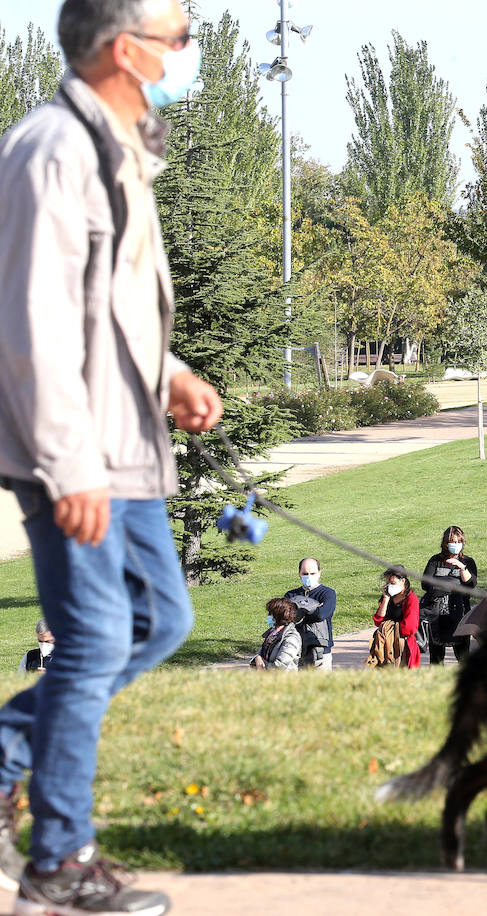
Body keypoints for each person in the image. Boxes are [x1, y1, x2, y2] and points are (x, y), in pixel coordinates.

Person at [0, 0, 225, 908]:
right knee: (94, 638)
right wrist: (68, 465)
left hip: (125, 441)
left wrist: (170, 373)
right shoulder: (53, 150)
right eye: (180, 36)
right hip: (78, 450)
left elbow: (109, 307)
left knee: (158, 622)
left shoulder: (119, 148)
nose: (191, 50)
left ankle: (6, 757)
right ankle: (59, 861)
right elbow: (31, 325)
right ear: (126, 51)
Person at [419, 526, 477, 666]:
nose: (456, 545)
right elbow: (426, 584)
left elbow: (470, 585)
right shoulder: (435, 560)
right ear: (446, 543)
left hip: (459, 613)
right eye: (453, 542)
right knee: (436, 657)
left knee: (463, 656)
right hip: (437, 615)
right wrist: (454, 585)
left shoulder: (468, 562)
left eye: (459, 542)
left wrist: (461, 567)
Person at [284, 557, 336, 672]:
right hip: (296, 651)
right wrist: (314, 608)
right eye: (305, 573)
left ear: (319, 573)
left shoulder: (328, 593)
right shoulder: (290, 595)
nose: (308, 576)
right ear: (299, 574)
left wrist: (298, 613)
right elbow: (284, 618)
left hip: (321, 651)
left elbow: (321, 615)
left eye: (312, 573)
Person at [371, 571, 420, 669]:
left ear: (403, 581)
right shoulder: (389, 597)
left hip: (403, 645)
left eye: (393, 583)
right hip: (384, 644)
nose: (389, 586)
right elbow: (378, 620)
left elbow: (410, 627)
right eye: (387, 583)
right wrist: (386, 598)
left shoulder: (411, 598)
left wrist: (390, 630)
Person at [249, 598, 301, 671]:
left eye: (270, 613)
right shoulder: (272, 633)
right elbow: (260, 653)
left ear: (278, 615)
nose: (268, 616)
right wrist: (257, 658)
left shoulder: (292, 638)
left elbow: (280, 666)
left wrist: (262, 665)